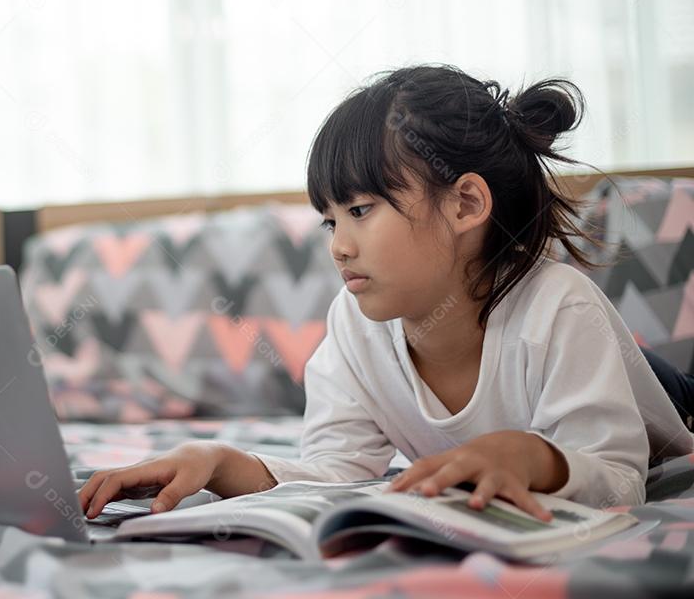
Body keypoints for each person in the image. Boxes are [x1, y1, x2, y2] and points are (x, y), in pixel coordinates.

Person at [78, 64, 694, 523]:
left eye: (360, 210)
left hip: (674, 404)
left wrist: (531, 456)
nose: (339, 246)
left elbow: (618, 478)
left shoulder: (559, 308)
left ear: (465, 203)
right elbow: (334, 470)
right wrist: (216, 461)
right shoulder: (356, 325)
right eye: (329, 221)